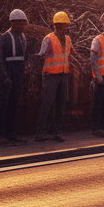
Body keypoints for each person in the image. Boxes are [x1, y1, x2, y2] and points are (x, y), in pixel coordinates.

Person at [0, 9, 29, 146]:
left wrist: (22, 74)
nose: (21, 26)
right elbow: (0, 59)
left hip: (18, 71)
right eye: (18, 23)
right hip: (8, 71)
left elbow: (24, 57)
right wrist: (5, 76)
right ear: (12, 23)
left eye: (22, 23)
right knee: (2, 104)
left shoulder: (23, 37)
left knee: (13, 103)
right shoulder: (5, 37)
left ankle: (9, 133)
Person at [35, 11, 72, 143]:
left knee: (61, 104)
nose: (66, 27)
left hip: (63, 74)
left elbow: (67, 55)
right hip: (50, 75)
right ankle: (40, 131)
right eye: (65, 25)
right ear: (59, 25)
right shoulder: (48, 39)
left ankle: (57, 131)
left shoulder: (67, 39)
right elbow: (41, 55)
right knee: (47, 103)